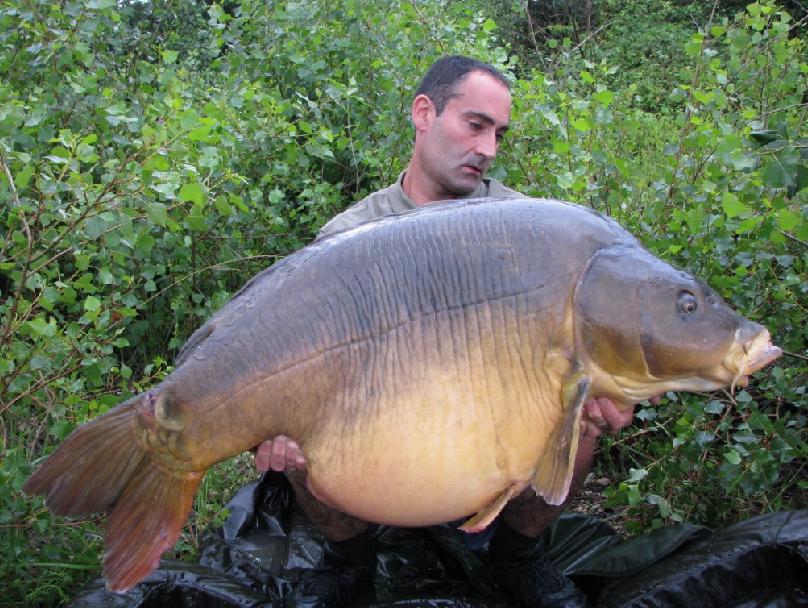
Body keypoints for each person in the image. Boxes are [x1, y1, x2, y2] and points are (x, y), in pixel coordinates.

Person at [254, 55, 637, 607]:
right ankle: (348, 558)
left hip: (490, 422)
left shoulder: (523, 229)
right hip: (382, 424)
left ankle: (518, 553)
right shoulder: (350, 234)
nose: (488, 149)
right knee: (297, 430)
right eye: (475, 125)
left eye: (499, 134)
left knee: (581, 413)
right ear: (424, 113)